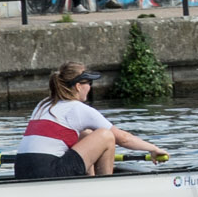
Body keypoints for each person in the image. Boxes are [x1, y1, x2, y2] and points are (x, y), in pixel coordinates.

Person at [12, 63, 167, 179]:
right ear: (79, 86)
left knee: (86, 134)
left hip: (21, 171)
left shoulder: (43, 105)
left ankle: (90, 179)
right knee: (106, 136)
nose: (90, 87)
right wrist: (153, 148)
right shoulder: (77, 108)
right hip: (48, 172)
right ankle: (104, 189)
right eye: (89, 83)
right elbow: (123, 138)